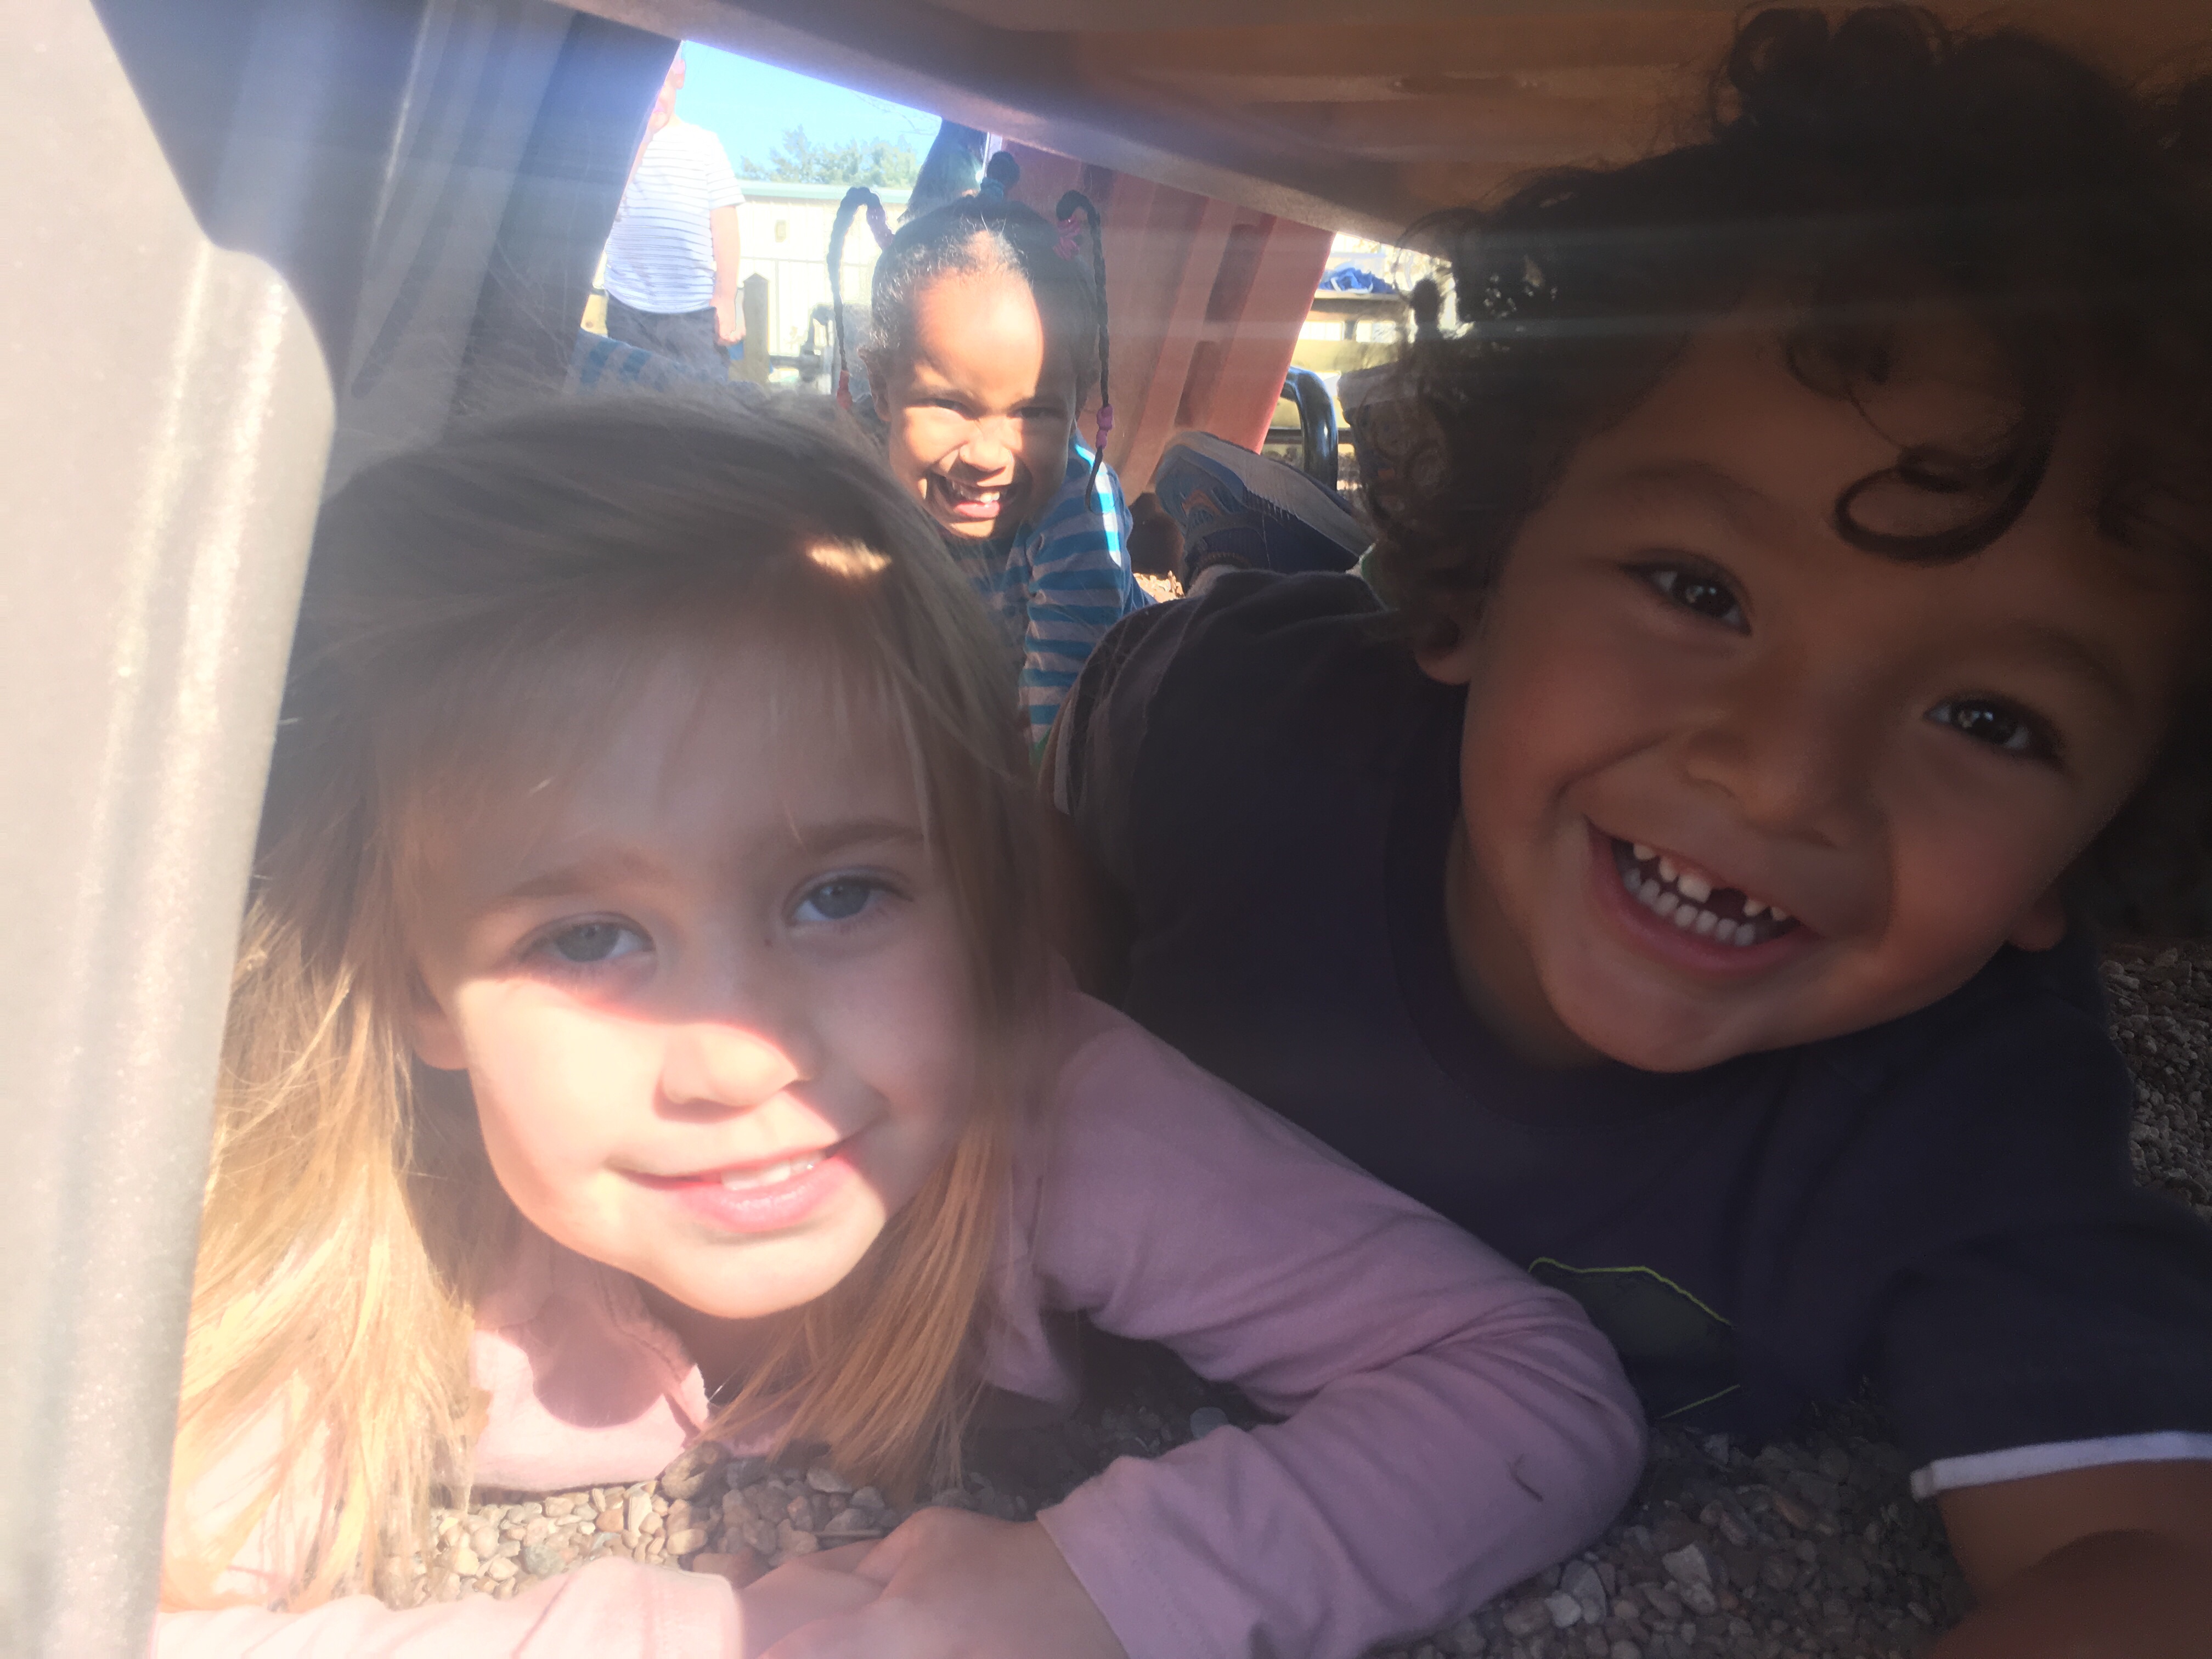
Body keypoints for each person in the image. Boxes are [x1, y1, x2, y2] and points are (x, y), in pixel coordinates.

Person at [1045, 8, 2212, 1656]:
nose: (1785, 777)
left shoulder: (1968, 1109)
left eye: (1989, 721)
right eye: (1697, 590)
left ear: (2086, 851)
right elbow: (1049, 771)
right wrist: (1029, 1016)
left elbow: (2145, 1558)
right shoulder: (1250, 736)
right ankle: (1280, 540)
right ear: (1478, 578)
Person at [155, 396, 1644, 1658]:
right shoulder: (366, 1227)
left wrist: (1095, 1591)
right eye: (588, 936)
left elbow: (1527, 1390)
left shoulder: (1040, 1104)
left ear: (981, 901)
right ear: (419, 983)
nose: (743, 1056)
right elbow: (109, 1594)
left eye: (840, 894)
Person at [828, 153, 1147, 758]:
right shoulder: (857, 462)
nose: (985, 455)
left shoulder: (1076, 511)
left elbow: (1061, 744)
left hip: (1108, 709)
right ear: (883, 391)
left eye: (1033, 413)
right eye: (949, 403)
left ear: (1077, 403)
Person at [601, 52, 744, 369]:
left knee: (700, 394)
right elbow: (606, 207)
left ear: (679, 76)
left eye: (659, 85)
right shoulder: (618, 147)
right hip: (629, 307)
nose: (651, 98)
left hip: (694, 311)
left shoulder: (704, 144)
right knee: (628, 394)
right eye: (641, 90)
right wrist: (642, 139)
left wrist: (726, 297)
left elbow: (725, 227)